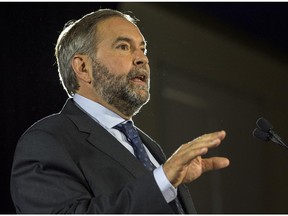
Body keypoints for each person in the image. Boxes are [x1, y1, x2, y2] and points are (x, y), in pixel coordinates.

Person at [10, 9, 230, 214]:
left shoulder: (148, 146)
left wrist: (167, 180)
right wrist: (162, 179)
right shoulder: (48, 139)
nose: (142, 58)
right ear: (83, 67)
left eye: (143, 49)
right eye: (123, 47)